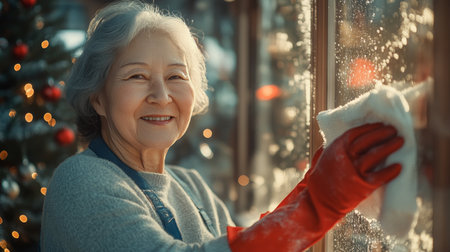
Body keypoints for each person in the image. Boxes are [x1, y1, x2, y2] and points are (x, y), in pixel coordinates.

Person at [40, 0, 404, 251]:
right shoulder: (79, 181)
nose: (161, 95)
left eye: (176, 76)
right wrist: (316, 203)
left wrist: (311, 187)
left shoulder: (192, 186)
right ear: (97, 98)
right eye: (137, 76)